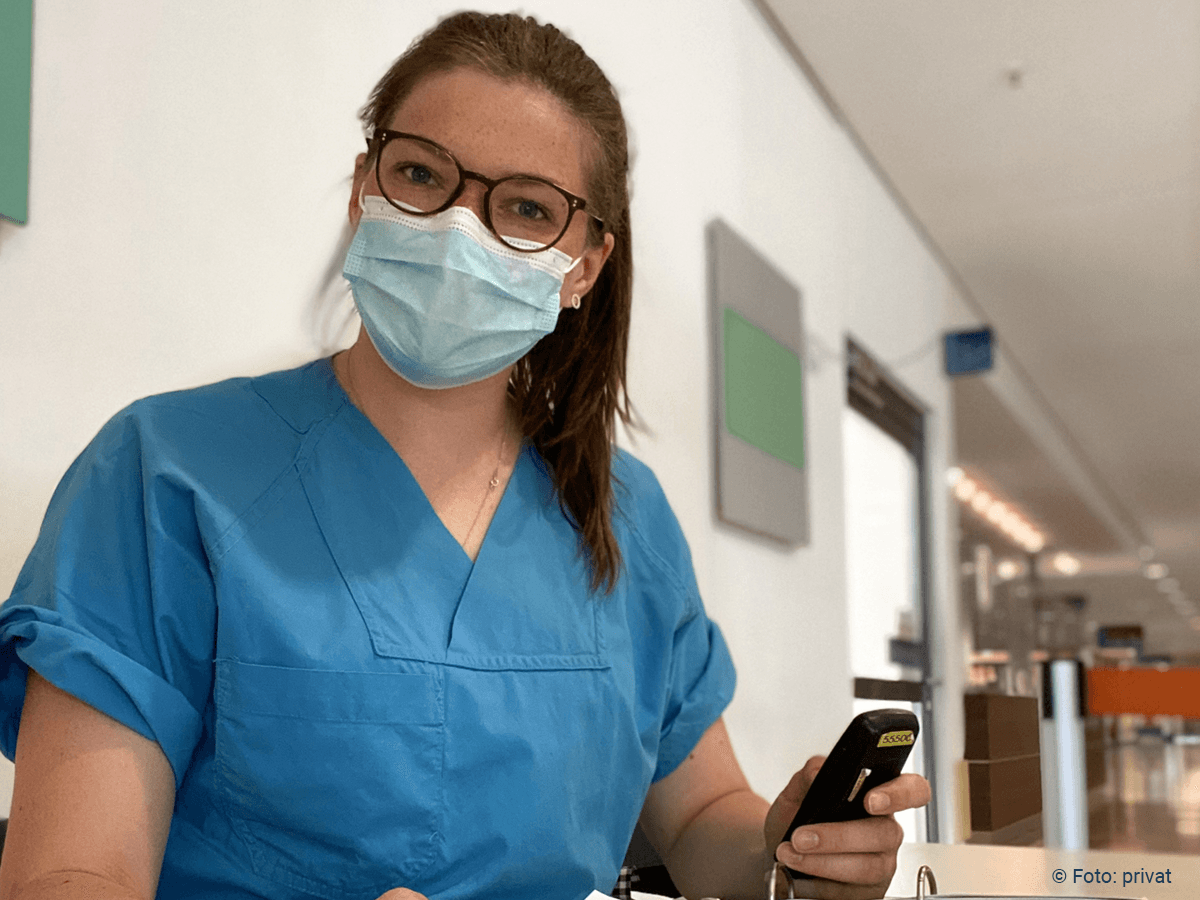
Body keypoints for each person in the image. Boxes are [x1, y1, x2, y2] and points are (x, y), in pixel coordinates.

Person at [0, 11, 928, 900]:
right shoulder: (165, 474)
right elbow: (67, 875)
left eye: (525, 207)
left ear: (584, 267)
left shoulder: (623, 517)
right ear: (366, 185)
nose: (458, 228)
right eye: (421, 174)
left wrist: (791, 847)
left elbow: (703, 821)